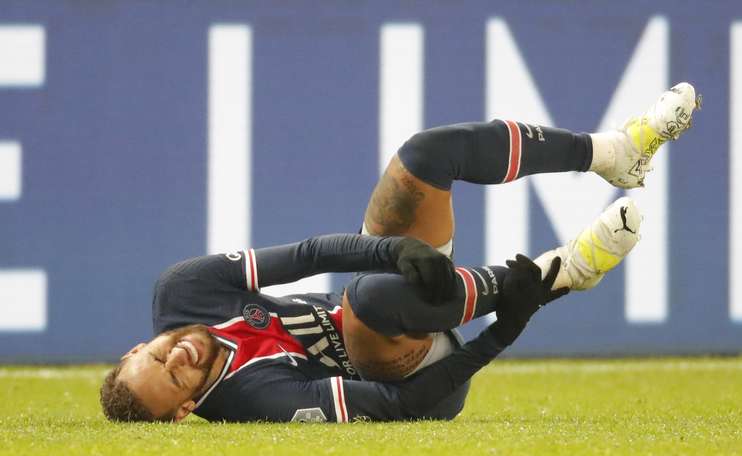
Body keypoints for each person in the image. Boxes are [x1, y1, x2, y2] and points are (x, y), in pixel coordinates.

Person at [100, 83, 699, 423]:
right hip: (419, 374)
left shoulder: (182, 292)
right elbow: (401, 403)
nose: (176, 356)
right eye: (175, 377)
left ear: (136, 347)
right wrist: (503, 332)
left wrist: (395, 249)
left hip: (401, 302)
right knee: (366, 300)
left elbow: (307, 255)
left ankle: (613, 152)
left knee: (425, 157)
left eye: (155, 355)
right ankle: (563, 273)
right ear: (184, 409)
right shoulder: (251, 400)